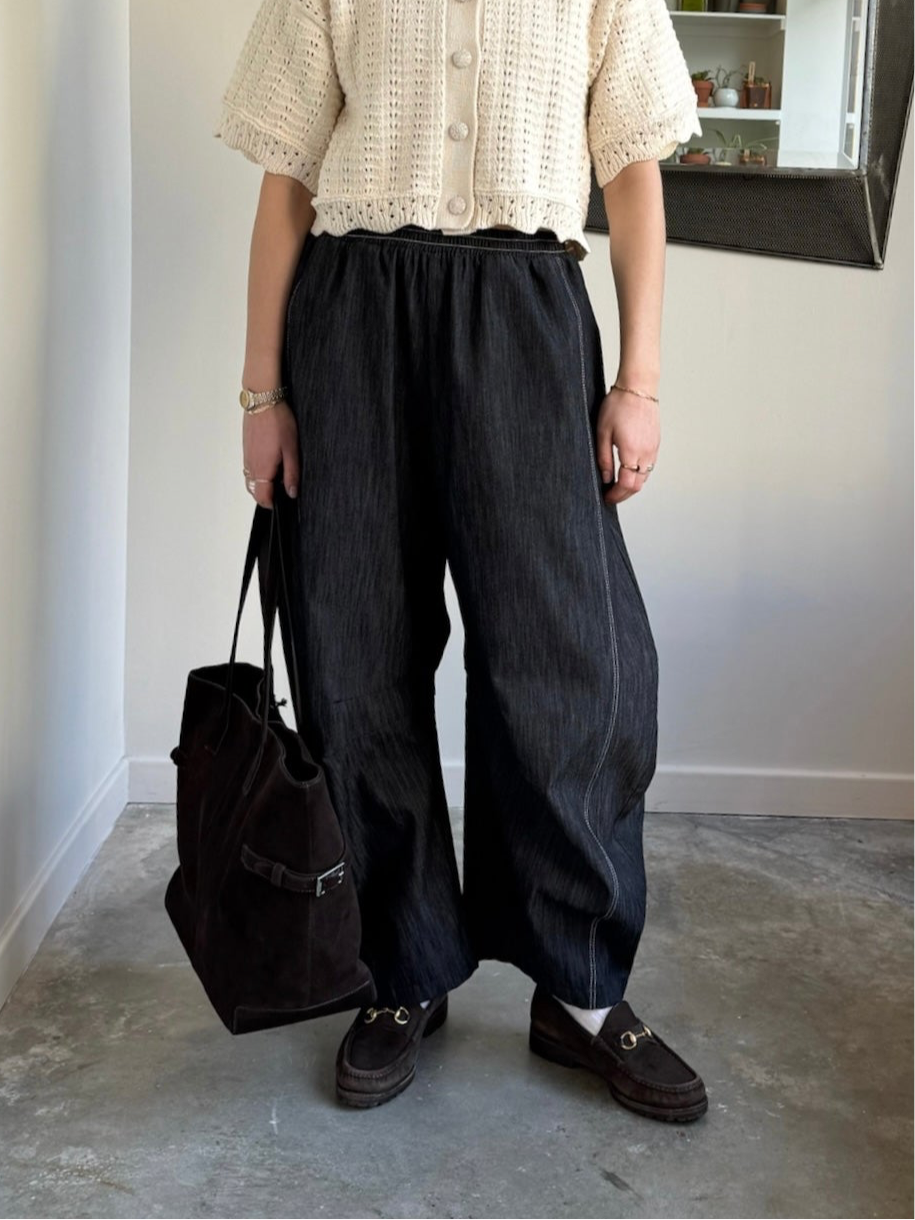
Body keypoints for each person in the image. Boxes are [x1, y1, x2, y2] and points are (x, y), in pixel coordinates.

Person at [214, 0, 708, 1122]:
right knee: (354, 653)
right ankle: (401, 967)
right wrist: (262, 388)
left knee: (572, 659)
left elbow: (632, 172)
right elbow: (288, 181)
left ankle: (579, 987)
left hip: (525, 315)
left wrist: (639, 379)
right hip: (352, 319)